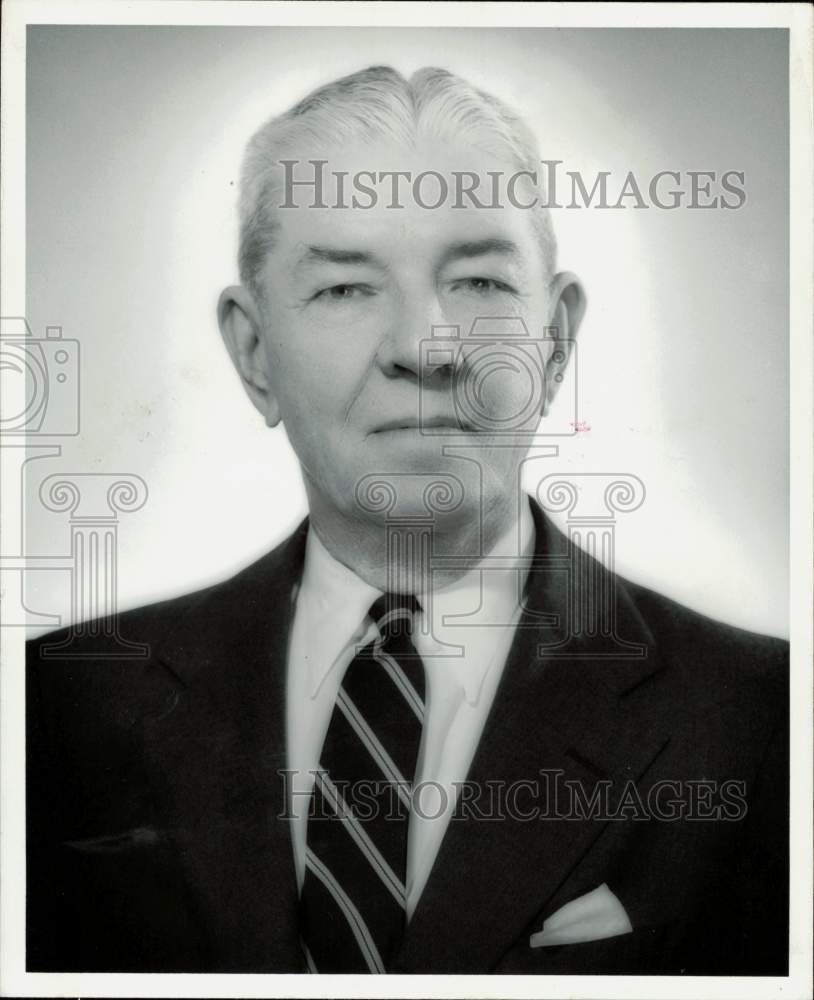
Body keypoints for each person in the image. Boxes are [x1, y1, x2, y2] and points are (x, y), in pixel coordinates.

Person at [26, 65, 788, 975]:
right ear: (253, 352)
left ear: (555, 345)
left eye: (479, 283)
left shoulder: (770, 720)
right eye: (346, 289)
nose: (425, 347)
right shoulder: (50, 710)